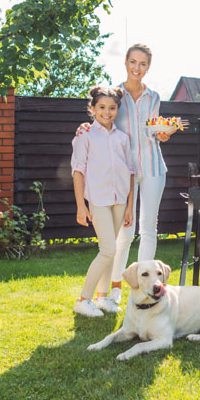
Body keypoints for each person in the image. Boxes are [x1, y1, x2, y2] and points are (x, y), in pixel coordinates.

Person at [75, 44, 176, 307]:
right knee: (124, 232)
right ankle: (118, 285)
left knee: (149, 228)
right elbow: (103, 121)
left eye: (142, 64)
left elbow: (153, 130)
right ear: (126, 63)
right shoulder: (115, 95)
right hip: (123, 173)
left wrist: (163, 133)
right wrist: (85, 127)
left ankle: (147, 287)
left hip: (153, 166)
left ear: (148, 67)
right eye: (133, 62)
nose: (137, 68)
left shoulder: (154, 97)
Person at [70, 86, 135, 317]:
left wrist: (129, 206)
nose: (107, 112)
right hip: (97, 200)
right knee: (107, 249)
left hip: (119, 200)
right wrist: (81, 205)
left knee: (112, 250)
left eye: (112, 108)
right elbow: (78, 171)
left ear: (117, 109)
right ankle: (83, 299)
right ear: (93, 108)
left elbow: (130, 171)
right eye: (102, 107)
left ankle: (102, 297)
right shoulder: (85, 134)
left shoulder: (122, 138)